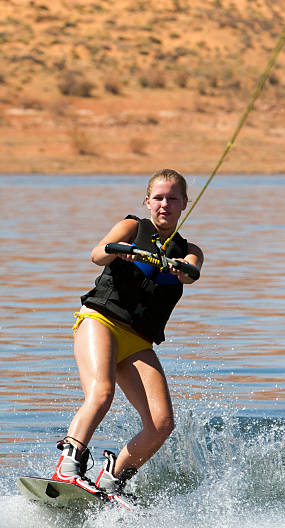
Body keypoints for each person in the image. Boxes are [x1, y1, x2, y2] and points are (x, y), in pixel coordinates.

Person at [52, 169, 204, 501]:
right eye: (159, 198)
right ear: (148, 201)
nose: (165, 204)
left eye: (172, 198)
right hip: (101, 321)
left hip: (138, 342)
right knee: (102, 393)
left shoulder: (190, 249)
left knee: (161, 424)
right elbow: (96, 255)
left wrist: (183, 268)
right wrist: (117, 249)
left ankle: (112, 480)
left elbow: (192, 272)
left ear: (184, 204)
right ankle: (68, 465)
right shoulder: (133, 227)